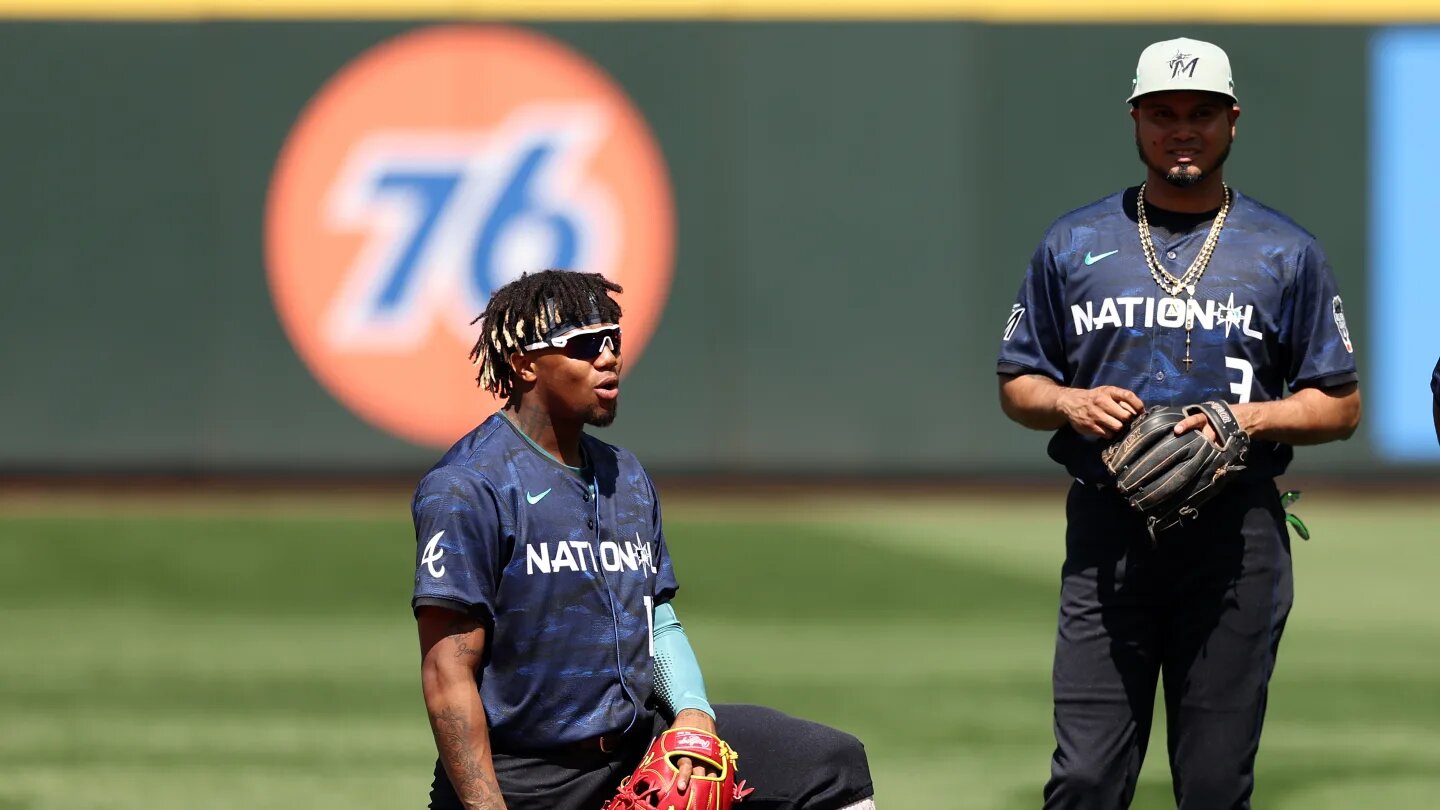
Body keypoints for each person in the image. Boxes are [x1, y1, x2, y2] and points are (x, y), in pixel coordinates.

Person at [995, 38, 1361, 809]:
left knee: (1214, 785)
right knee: (1087, 778)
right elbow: (1018, 382)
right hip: (1108, 534)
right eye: (1163, 114)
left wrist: (1246, 418)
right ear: (1136, 120)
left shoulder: (1286, 251)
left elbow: (1338, 404)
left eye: (1201, 114)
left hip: (1235, 543)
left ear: (1233, 121)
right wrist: (1068, 400)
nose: (1181, 129)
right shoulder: (1074, 242)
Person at [411, 269, 877, 810]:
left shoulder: (624, 476)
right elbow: (448, 675)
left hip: (635, 747)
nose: (608, 358)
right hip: (527, 776)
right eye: (585, 346)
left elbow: (657, 620)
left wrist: (694, 717)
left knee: (826, 762)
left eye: (613, 340)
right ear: (523, 364)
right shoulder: (468, 487)